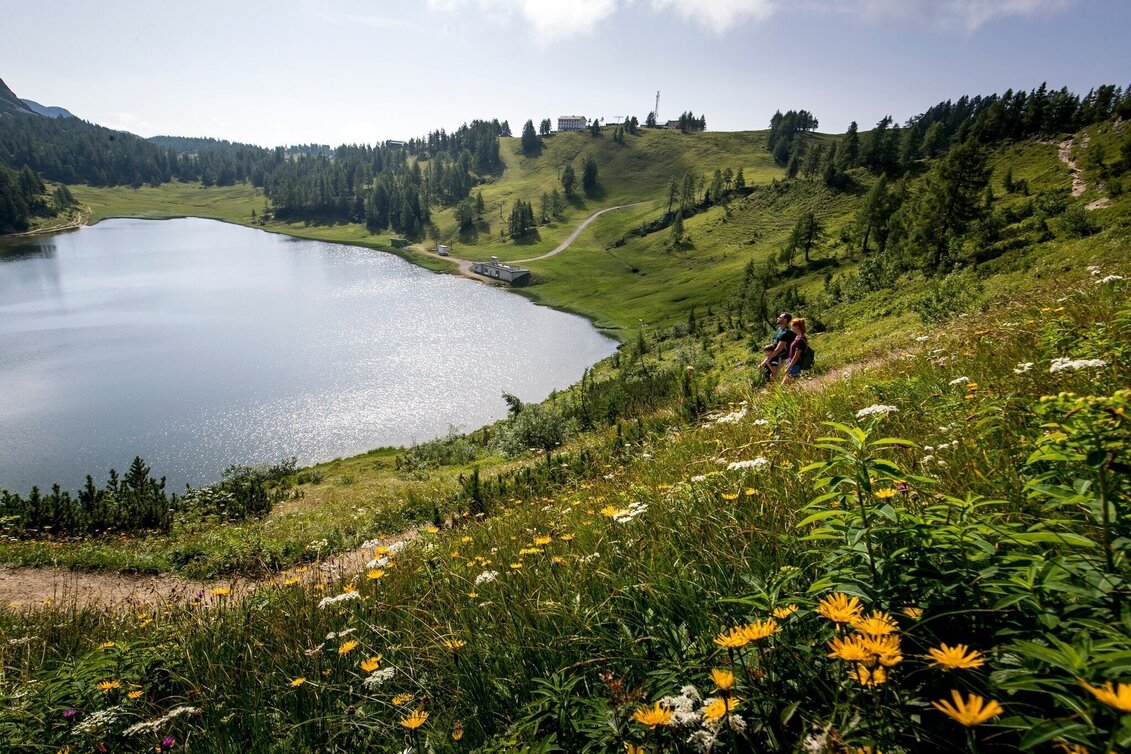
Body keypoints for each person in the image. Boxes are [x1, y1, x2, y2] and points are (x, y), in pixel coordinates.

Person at [757, 312, 795, 382]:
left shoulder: (786, 333)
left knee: (775, 376)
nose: (778, 318)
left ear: (785, 320)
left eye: (780, 317)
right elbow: (773, 347)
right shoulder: (779, 331)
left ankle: (776, 390)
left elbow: (778, 350)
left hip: (783, 357)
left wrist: (765, 361)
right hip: (775, 356)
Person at [781, 317, 808, 384]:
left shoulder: (800, 340)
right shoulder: (797, 337)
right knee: (787, 386)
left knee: (785, 386)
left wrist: (789, 367)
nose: (791, 328)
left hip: (795, 366)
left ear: (796, 326)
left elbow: (796, 356)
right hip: (792, 364)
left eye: (792, 326)